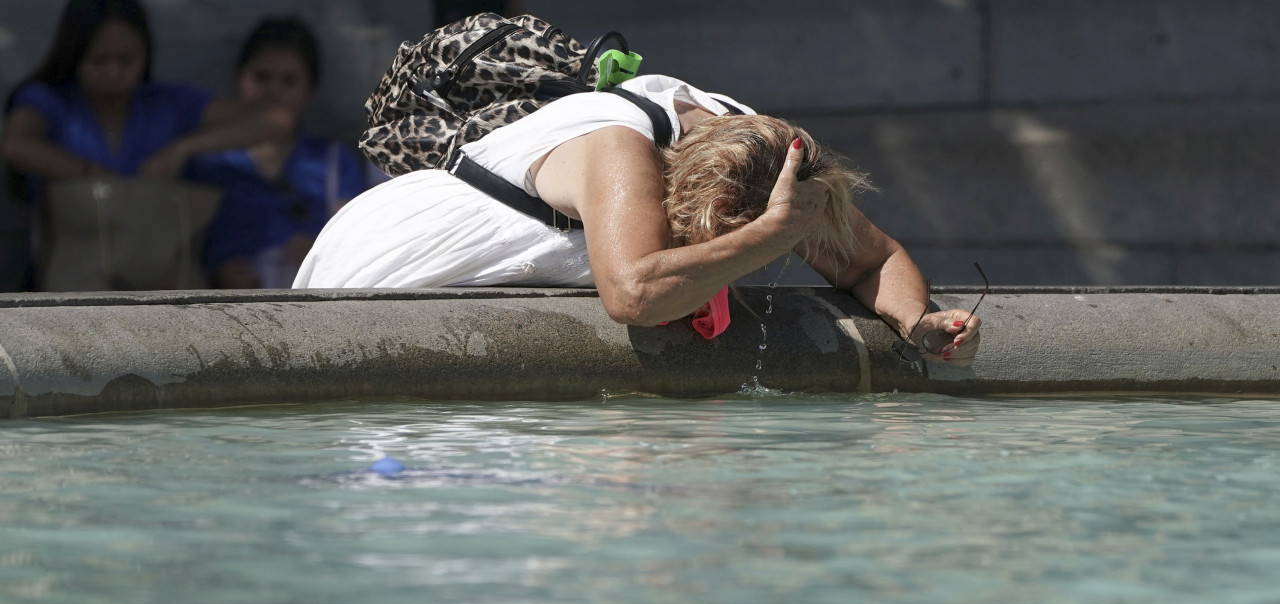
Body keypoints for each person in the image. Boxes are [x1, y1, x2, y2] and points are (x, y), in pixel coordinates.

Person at [294, 75, 981, 364]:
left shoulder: (770, 157)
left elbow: (871, 259)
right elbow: (634, 295)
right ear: (683, 201)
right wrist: (768, 237)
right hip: (398, 260)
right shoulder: (619, 147)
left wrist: (918, 322)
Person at [0, 0, 296, 288]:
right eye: (99, 60)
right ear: (73, 55)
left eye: (126, 60)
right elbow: (14, 144)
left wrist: (181, 149)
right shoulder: (49, 100)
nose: (113, 72)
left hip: (157, 281)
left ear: (146, 55)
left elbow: (277, 120)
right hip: (73, 280)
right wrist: (95, 177)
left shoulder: (166, 103)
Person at [187, 17, 365, 289]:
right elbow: (180, 250)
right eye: (262, 78)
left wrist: (318, 255)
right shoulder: (207, 162)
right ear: (239, 78)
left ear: (310, 89)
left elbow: (354, 247)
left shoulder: (335, 162)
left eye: (289, 81)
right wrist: (218, 273)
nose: (273, 91)